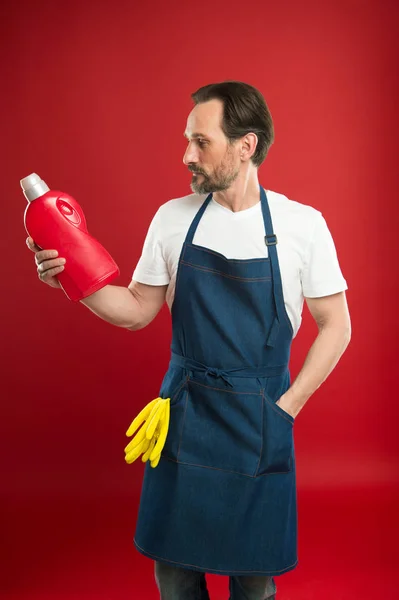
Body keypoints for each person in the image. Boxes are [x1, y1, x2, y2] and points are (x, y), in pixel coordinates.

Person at [26, 81, 351, 600]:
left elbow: (336, 325)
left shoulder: (302, 226)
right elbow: (135, 310)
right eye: (187, 140)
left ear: (245, 146)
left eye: (202, 142)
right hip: (185, 413)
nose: (187, 155)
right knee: (174, 573)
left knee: (252, 576)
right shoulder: (173, 218)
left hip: (259, 418)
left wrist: (286, 408)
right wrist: (73, 280)